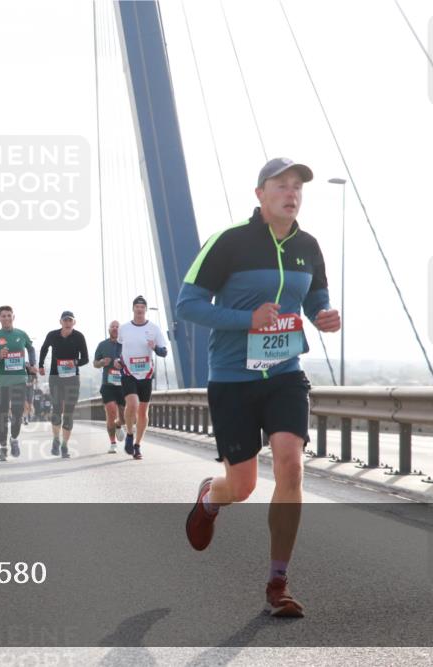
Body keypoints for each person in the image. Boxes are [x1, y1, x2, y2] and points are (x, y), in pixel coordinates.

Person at [176, 158, 341, 618]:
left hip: (285, 374)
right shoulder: (229, 243)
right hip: (232, 379)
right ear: (260, 194)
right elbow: (187, 305)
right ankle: (211, 497)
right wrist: (245, 320)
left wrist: (324, 314)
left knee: (291, 465)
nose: (292, 193)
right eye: (281, 185)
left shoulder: (308, 246)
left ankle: (278, 582)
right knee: (243, 485)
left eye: (298, 187)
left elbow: (315, 297)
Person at [117, 297, 168, 460]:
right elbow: (120, 346)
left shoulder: (154, 329)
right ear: (133, 309)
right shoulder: (124, 328)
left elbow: (164, 352)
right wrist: (118, 360)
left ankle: (137, 445)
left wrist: (155, 347)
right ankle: (130, 435)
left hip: (146, 374)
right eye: (137, 307)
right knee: (132, 404)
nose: (139, 310)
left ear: (145, 310)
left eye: (142, 307)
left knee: (143, 411)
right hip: (128, 373)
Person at [0, 305, 37, 461]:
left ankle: (14, 438)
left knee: (18, 412)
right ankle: (3, 447)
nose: (6, 318)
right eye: (3, 316)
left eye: (9, 315)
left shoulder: (21, 334)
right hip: (1, 381)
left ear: (13, 317)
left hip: (19, 380)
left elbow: (31, 348)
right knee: (1, 415)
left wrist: (32, 363)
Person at [38, 311, 89, 459]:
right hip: (55, 376)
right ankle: (55, 439)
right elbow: (44, 348)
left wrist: (76, 362)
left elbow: (85, 358)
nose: (67, 322)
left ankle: (65, 446)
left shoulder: (79, 337)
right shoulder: (52, 335)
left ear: (74, 322)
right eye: (65, 320)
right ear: (60, 322)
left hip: (73, 378)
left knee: (69, 413)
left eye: (70, 320)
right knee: (56, 409)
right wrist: (41, 365)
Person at [93, 320, 126, 453]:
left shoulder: (125, 344)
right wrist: (101, 362)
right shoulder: (102, 345)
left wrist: (123, 364)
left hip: (123, 384)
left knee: (124, 417)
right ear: (109, 329)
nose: (115, 328)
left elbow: (132, 360)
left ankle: (119, 425)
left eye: (117, 327)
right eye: (112, 327)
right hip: (108, 384)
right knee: (111, 411)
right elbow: (95, 363)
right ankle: (113, 443)